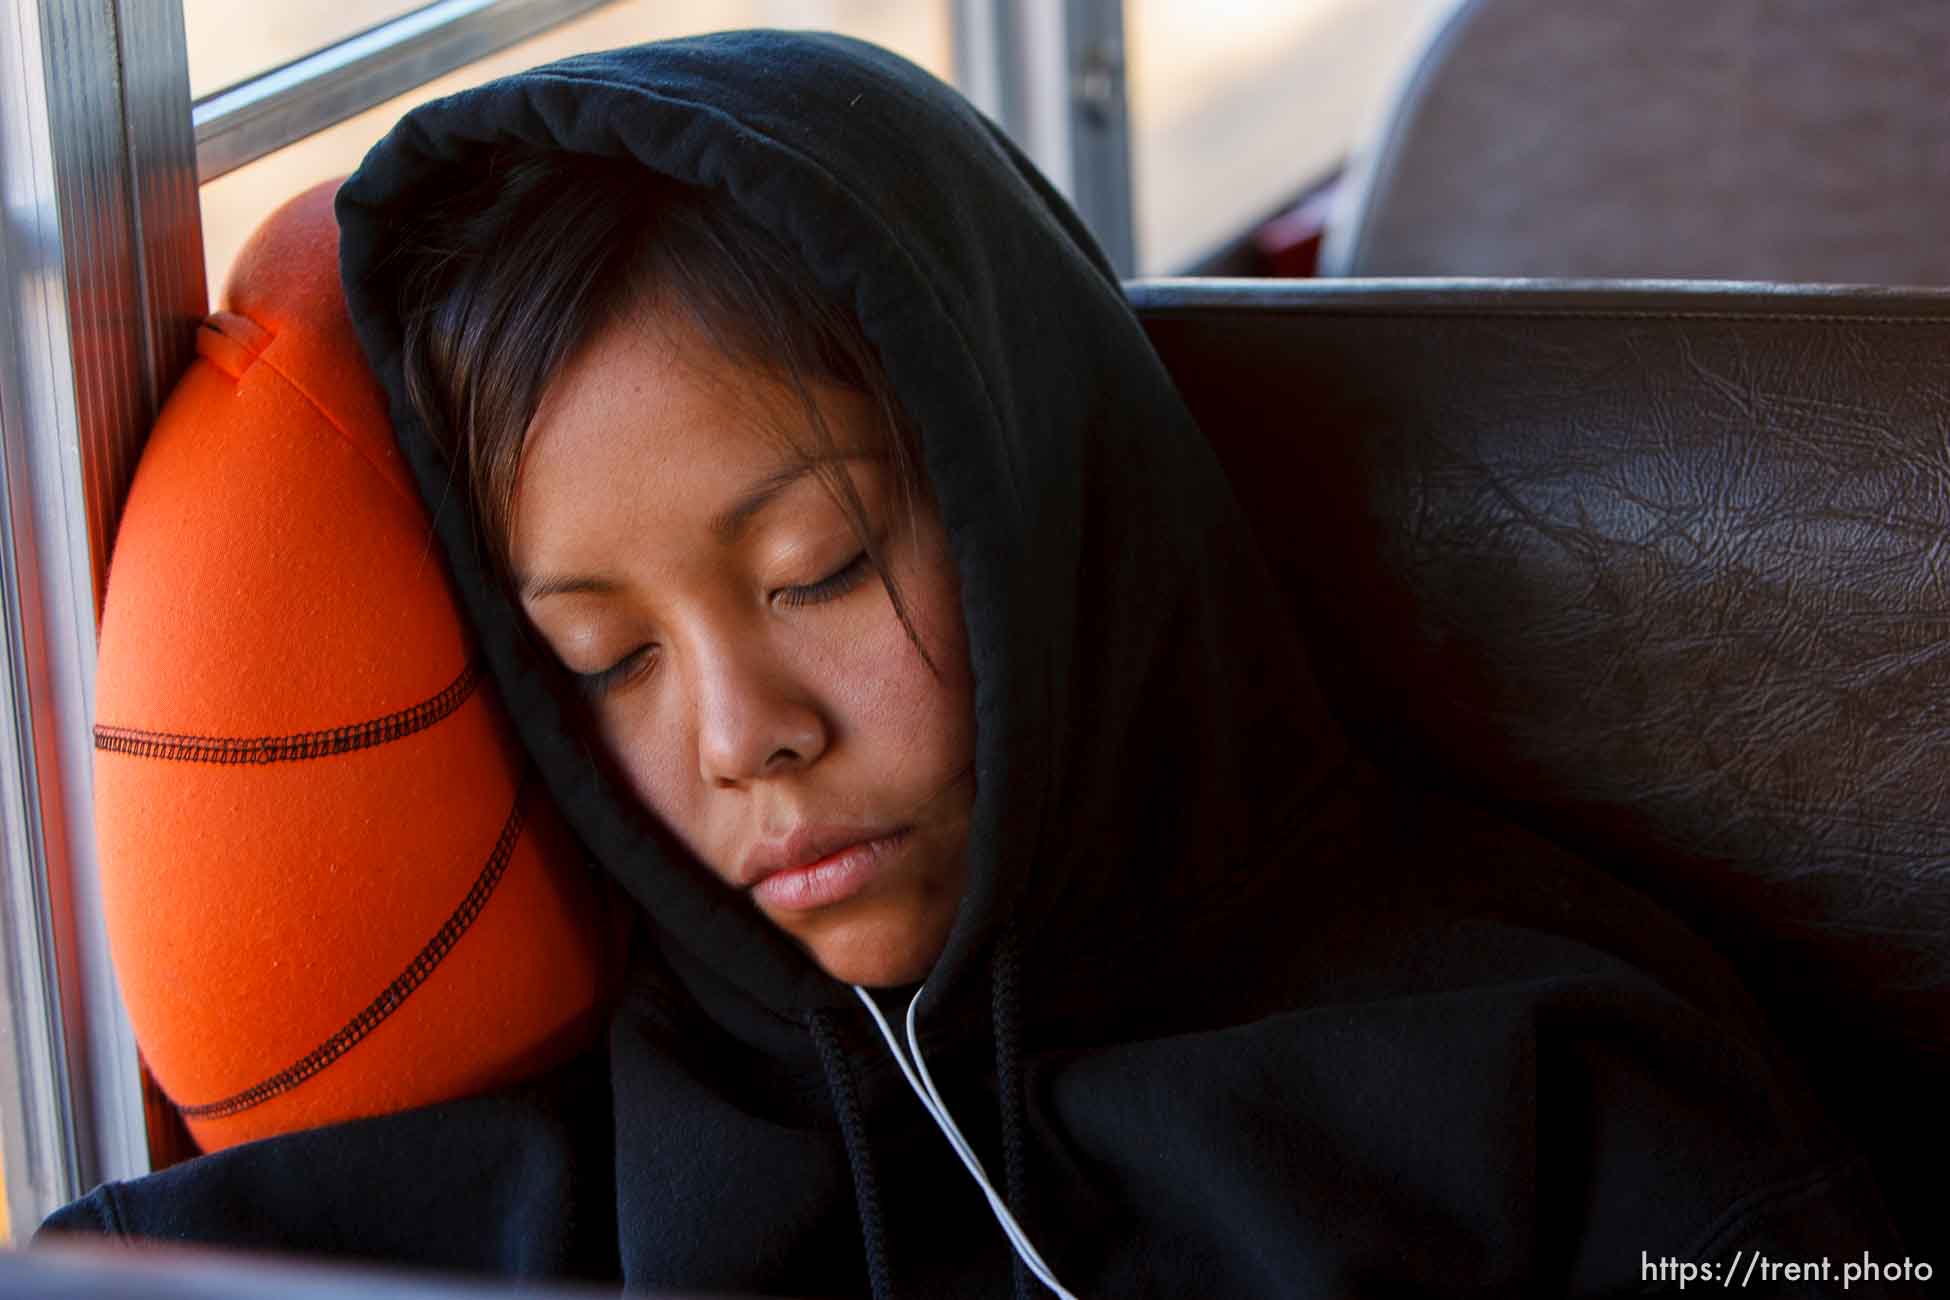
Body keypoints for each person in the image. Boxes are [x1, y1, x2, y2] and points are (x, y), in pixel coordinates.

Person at [40, 29, 1918, 1297]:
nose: (739, 736)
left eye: (821, 569)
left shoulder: (1551, 1078)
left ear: (1046, 504)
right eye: (604, 659)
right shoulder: (560, 1205)